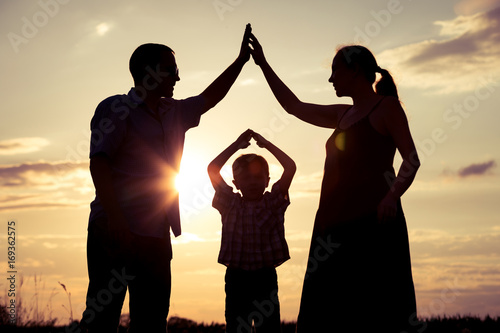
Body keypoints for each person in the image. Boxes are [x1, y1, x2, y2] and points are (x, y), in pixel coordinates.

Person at [81, 25, 252, 333]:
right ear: (147, 73)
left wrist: (240, 61)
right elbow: (100, 164)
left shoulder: (174, 111)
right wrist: (117, 219)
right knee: (102, 317)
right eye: (171, 70)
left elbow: (209, 97)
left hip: (156, 234)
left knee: (152, 319)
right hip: (115, 232)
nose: (177, 77)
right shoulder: (115, 108)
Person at [250, 33, 421, 332]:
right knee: (326, 313)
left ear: (354, 70)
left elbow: (411, 160)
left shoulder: (387, 108)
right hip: (331, 226)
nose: (330, 79)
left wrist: (391, 197)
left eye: (335, 70)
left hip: (372, 225)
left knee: (373, 310)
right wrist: (263, 64)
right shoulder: (342, 114)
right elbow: (293, 106)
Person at [207, 129, 296, 333]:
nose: (253, 182)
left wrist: (267, 144)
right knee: (237, 327)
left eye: (258, 177)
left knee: (269, 329)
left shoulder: (273, 202)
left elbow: (290, 167)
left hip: (265, 277)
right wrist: (236, 144)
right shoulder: (229, 203)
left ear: (267, 180)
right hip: (237, 279)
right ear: (236, 184)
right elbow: (212, 168)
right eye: (246, 178)